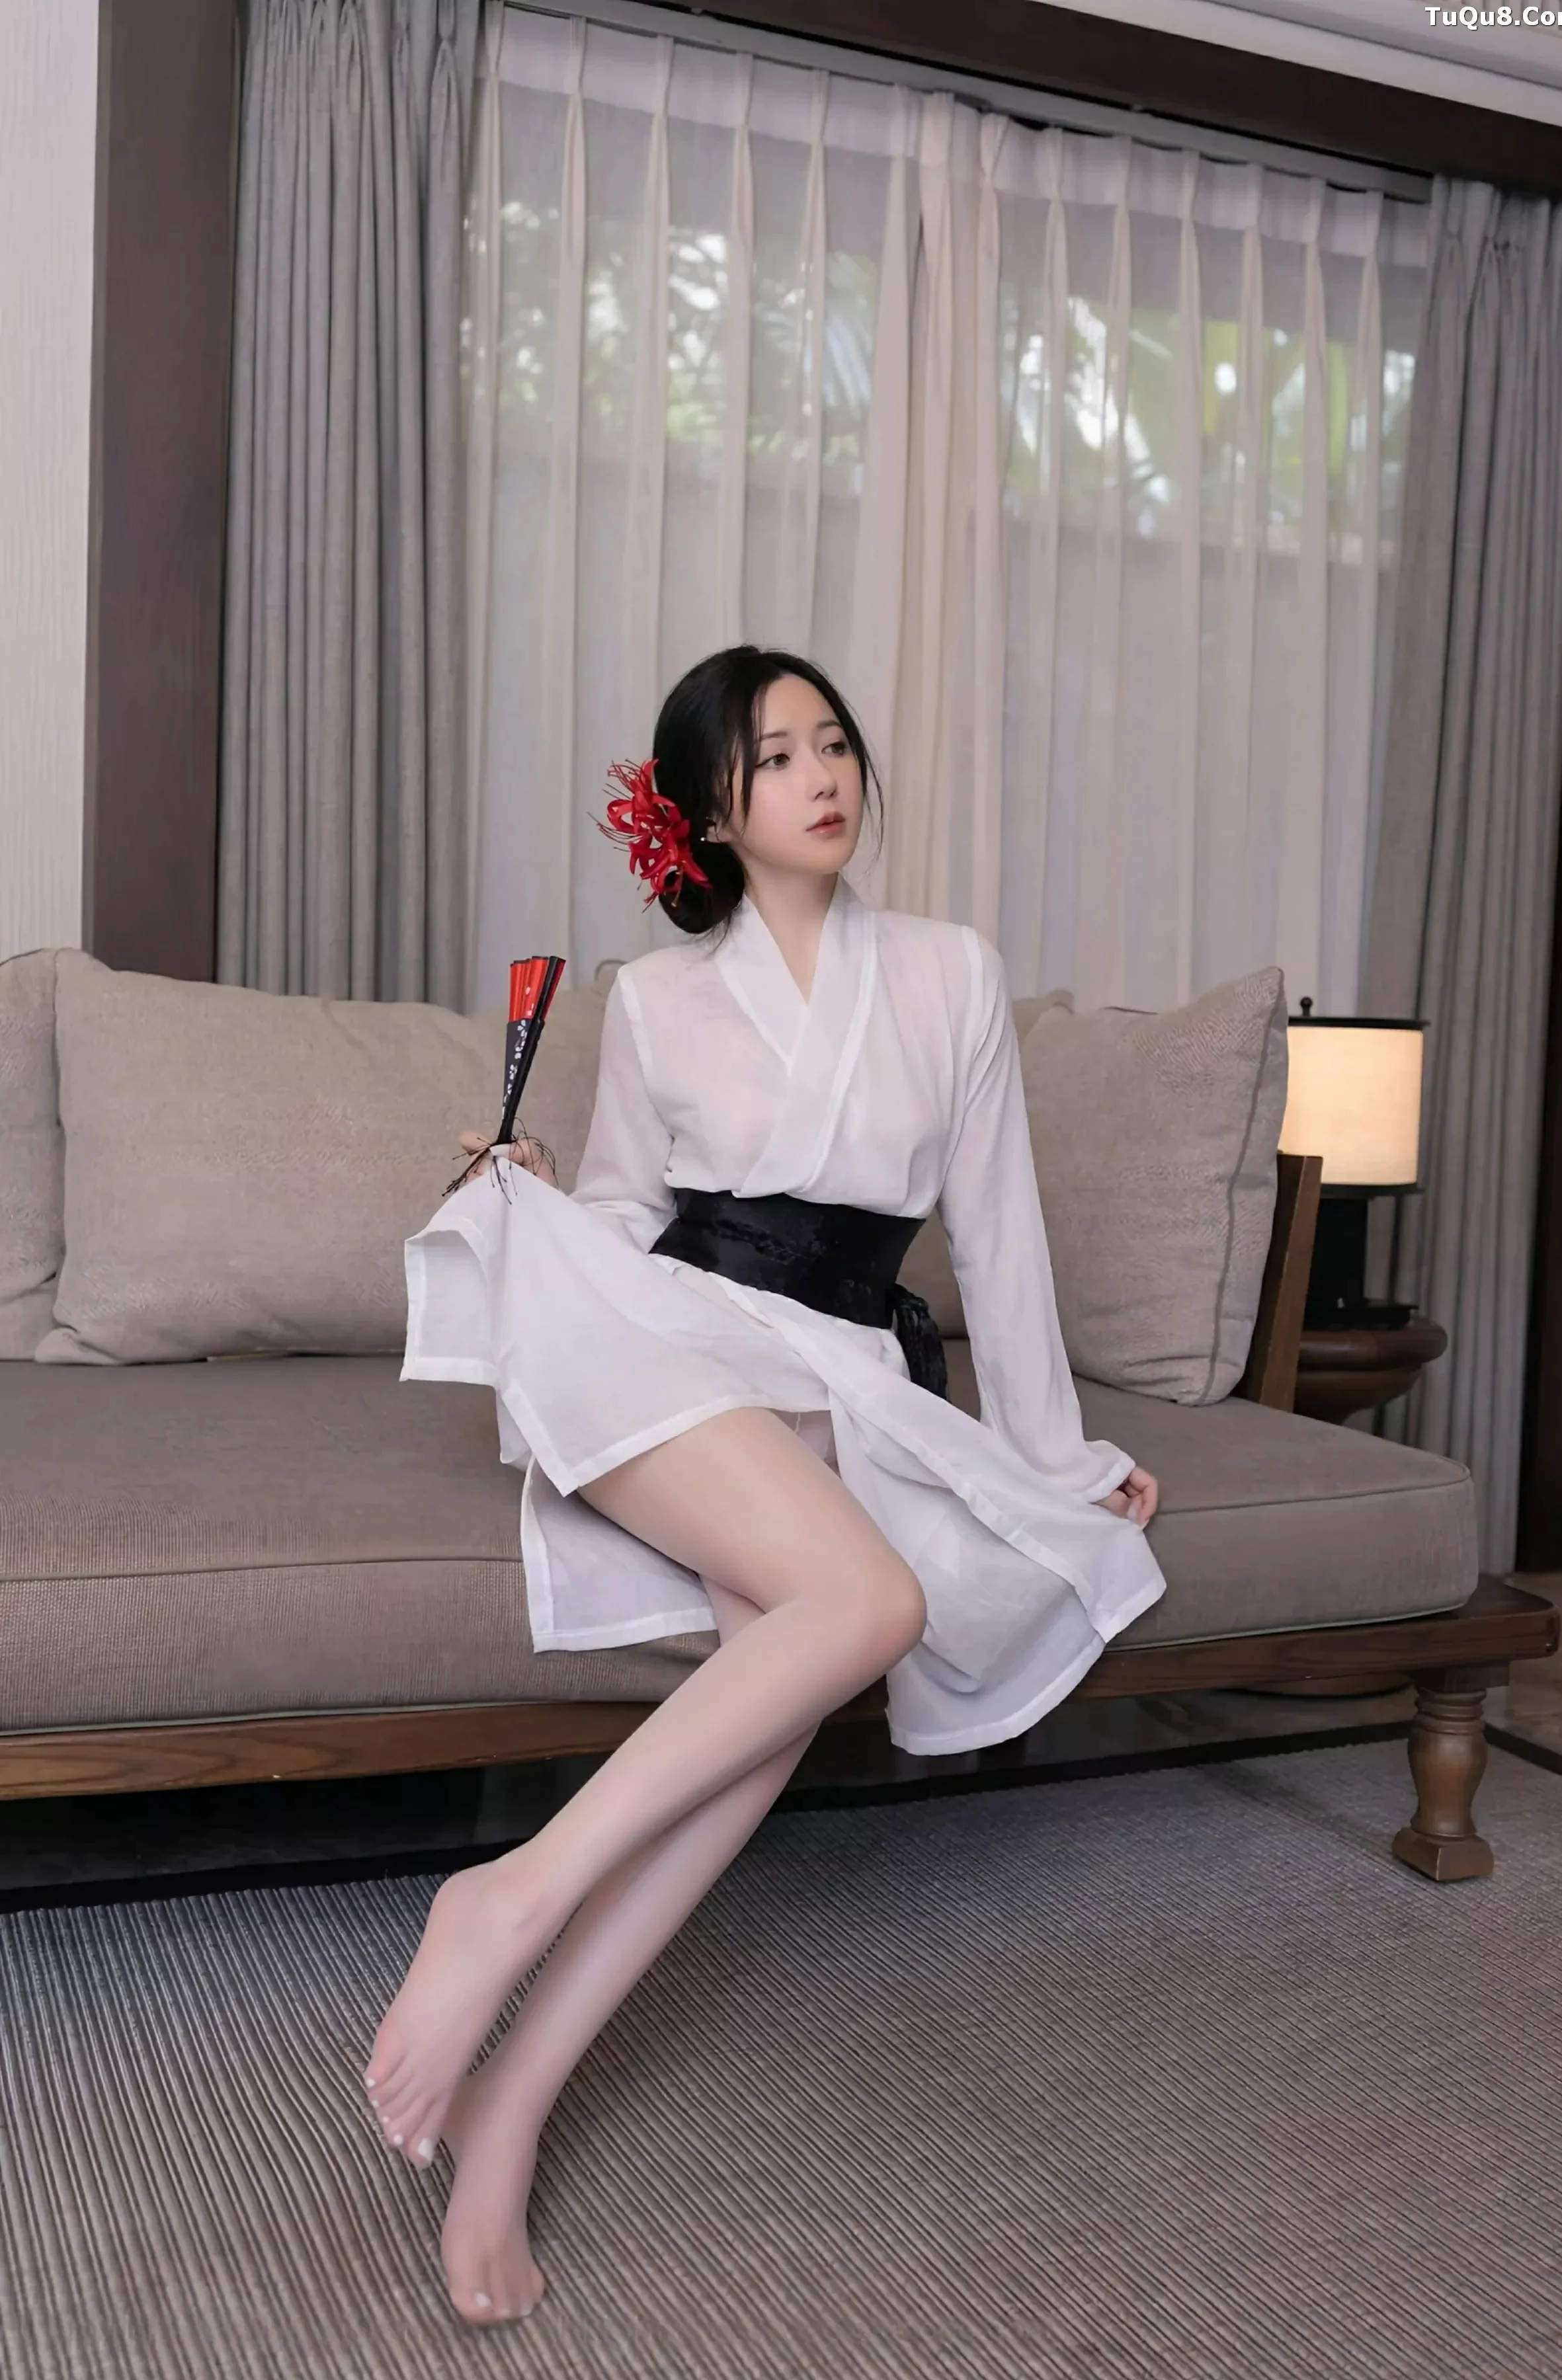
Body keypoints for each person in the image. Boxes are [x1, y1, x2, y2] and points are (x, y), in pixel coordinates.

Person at [366, 645, 1167, 2325]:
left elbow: (1002, 1237)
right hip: (669, 1341)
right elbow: (624, 1215)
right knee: (870, 1601)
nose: (823, 773)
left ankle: (511, 2104)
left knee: (779, 1691)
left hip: (840, 1372)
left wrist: (1056, 1462)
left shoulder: (950, 973)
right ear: (708, 815)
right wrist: (529, 1193)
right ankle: (503, 1899)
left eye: (832, 741)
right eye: (776, 755)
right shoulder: (656, 1003)